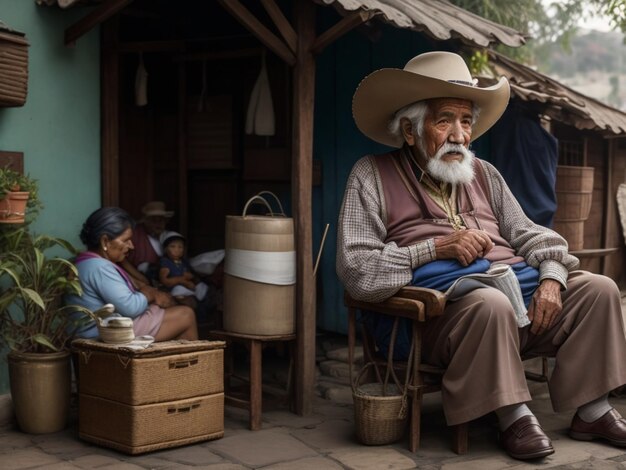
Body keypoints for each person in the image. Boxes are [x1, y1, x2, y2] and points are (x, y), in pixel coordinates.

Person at [337, 51, 626, 460]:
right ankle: (512, 414)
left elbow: (531, 235)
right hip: (429, 323)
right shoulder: (371, 175)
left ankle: (593, 409)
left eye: (466, 121)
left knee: (598, 288)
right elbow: (357, 272)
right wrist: (434, 249)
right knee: (489, 303)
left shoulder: (484, 174)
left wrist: (549, 277)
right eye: (444, 121)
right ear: (409, 130)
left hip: (517, 302)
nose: (459, 135)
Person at [67, 207, 198, 341]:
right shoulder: (98, 267)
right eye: (125, 240)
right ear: (105, 241)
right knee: (186, 315)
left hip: (105, 328)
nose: (131, 246)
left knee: (175, 314)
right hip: (104, 333)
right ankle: (199, 362)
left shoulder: (88, 262)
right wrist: (149, 294)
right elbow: (130, 307)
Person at [122, 200, 173, 286]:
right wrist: (142, 279)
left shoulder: (170, 237)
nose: (158, 224)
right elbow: (123, 260)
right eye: (154, 220)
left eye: (161, 220)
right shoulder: (134, 236)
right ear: (146, 221)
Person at [158, 231, 209, 306]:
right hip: (173, 289)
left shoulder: (184, 262)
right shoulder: (165, 262)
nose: (177, 250)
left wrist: (192, 277)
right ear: (166, 249)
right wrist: (183, 280)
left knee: (203, 288)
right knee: (179, 290)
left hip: (188, 288)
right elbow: (165, 281)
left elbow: (191, 274)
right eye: (172, 246)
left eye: (180, 247)